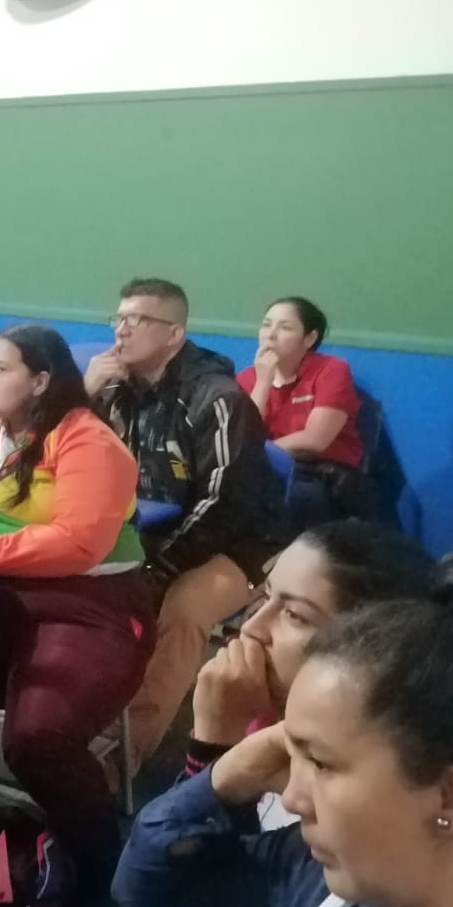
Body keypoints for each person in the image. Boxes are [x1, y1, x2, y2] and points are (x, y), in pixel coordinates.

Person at [113, 548, 453, 907]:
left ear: (450, 799)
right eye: (290, 751)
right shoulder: (333, 892)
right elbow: (151, 889)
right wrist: (226, 772)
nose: (292, 798)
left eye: (320, 763)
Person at [0, 324, 155, 907]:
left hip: (86, 605)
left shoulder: (88, 441)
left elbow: (78, 542)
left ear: (41, 381)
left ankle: (102, 875)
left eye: (1, 369)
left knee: (38, 739)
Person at [84, 278, 286, 770]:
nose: (121, 330)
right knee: (77, 582)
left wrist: (158, 568)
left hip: (237, 543)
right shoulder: (115, 391)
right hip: (153, 532)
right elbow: (71, 463)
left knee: (184, 610)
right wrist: (84, 398)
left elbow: (225, 504)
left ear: (174, 335)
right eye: (119, 318)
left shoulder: (217, 398)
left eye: (137, 320)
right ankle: (76, 717)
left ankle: (124, 757)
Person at [182, 520, 435, 822]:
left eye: (294, 614)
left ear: (369, 645)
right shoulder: (263, 722)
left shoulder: (361, 794)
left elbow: (193, 850)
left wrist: (214, 743)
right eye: (265, 597)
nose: (251, 627)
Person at [239, 297, 371, 529]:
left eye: (285, 327)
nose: (270, 335)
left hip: (323, 474)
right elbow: (242, 435)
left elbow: (314, 441)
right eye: (266, 325)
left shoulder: (331, 370)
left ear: (309, 338)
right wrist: (262, 384)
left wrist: (258, 451)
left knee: (291, 497)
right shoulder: (248, 378)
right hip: (266, 468)